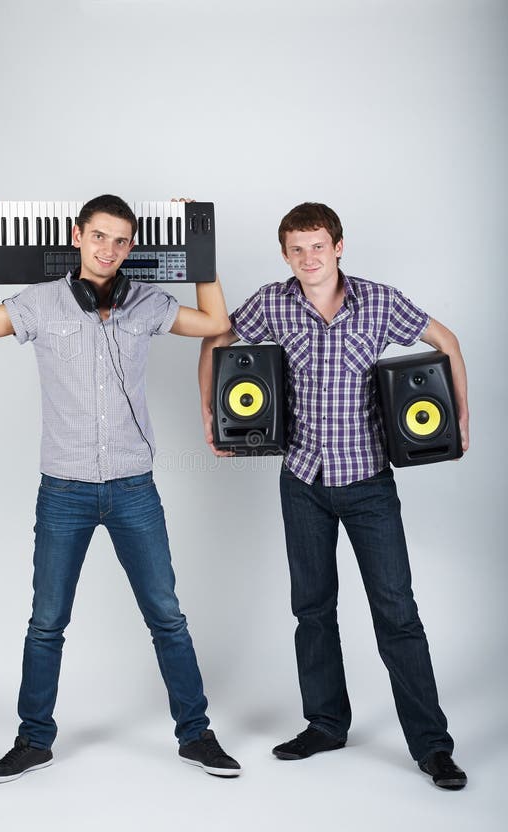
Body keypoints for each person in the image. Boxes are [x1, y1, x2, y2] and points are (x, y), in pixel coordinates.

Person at [0, 194, 241, 782]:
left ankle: (196, 736)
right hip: (64, 492)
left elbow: (217, 324)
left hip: (134, 488)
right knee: (47, 622)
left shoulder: (147, 303)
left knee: (167, 617)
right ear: (78, 237)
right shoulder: (42, 303)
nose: (109, 250)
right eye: (99, 237)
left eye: (121, 241)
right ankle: (33, 741)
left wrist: (204, 253)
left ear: (131, 247)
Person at [199, 202, 469, 790]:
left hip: (369, 481)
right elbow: (218, 335)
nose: (308, 258)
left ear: (338, 246)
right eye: (296, 249)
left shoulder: (379, 300)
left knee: (397, 613)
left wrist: (461, 423)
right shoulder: (273, 302)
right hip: (302, 481)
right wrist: (211, 417)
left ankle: (431, 747)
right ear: (285, 254)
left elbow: (445, 340)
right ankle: (325, 723)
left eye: (317, 246)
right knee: (312, 610)